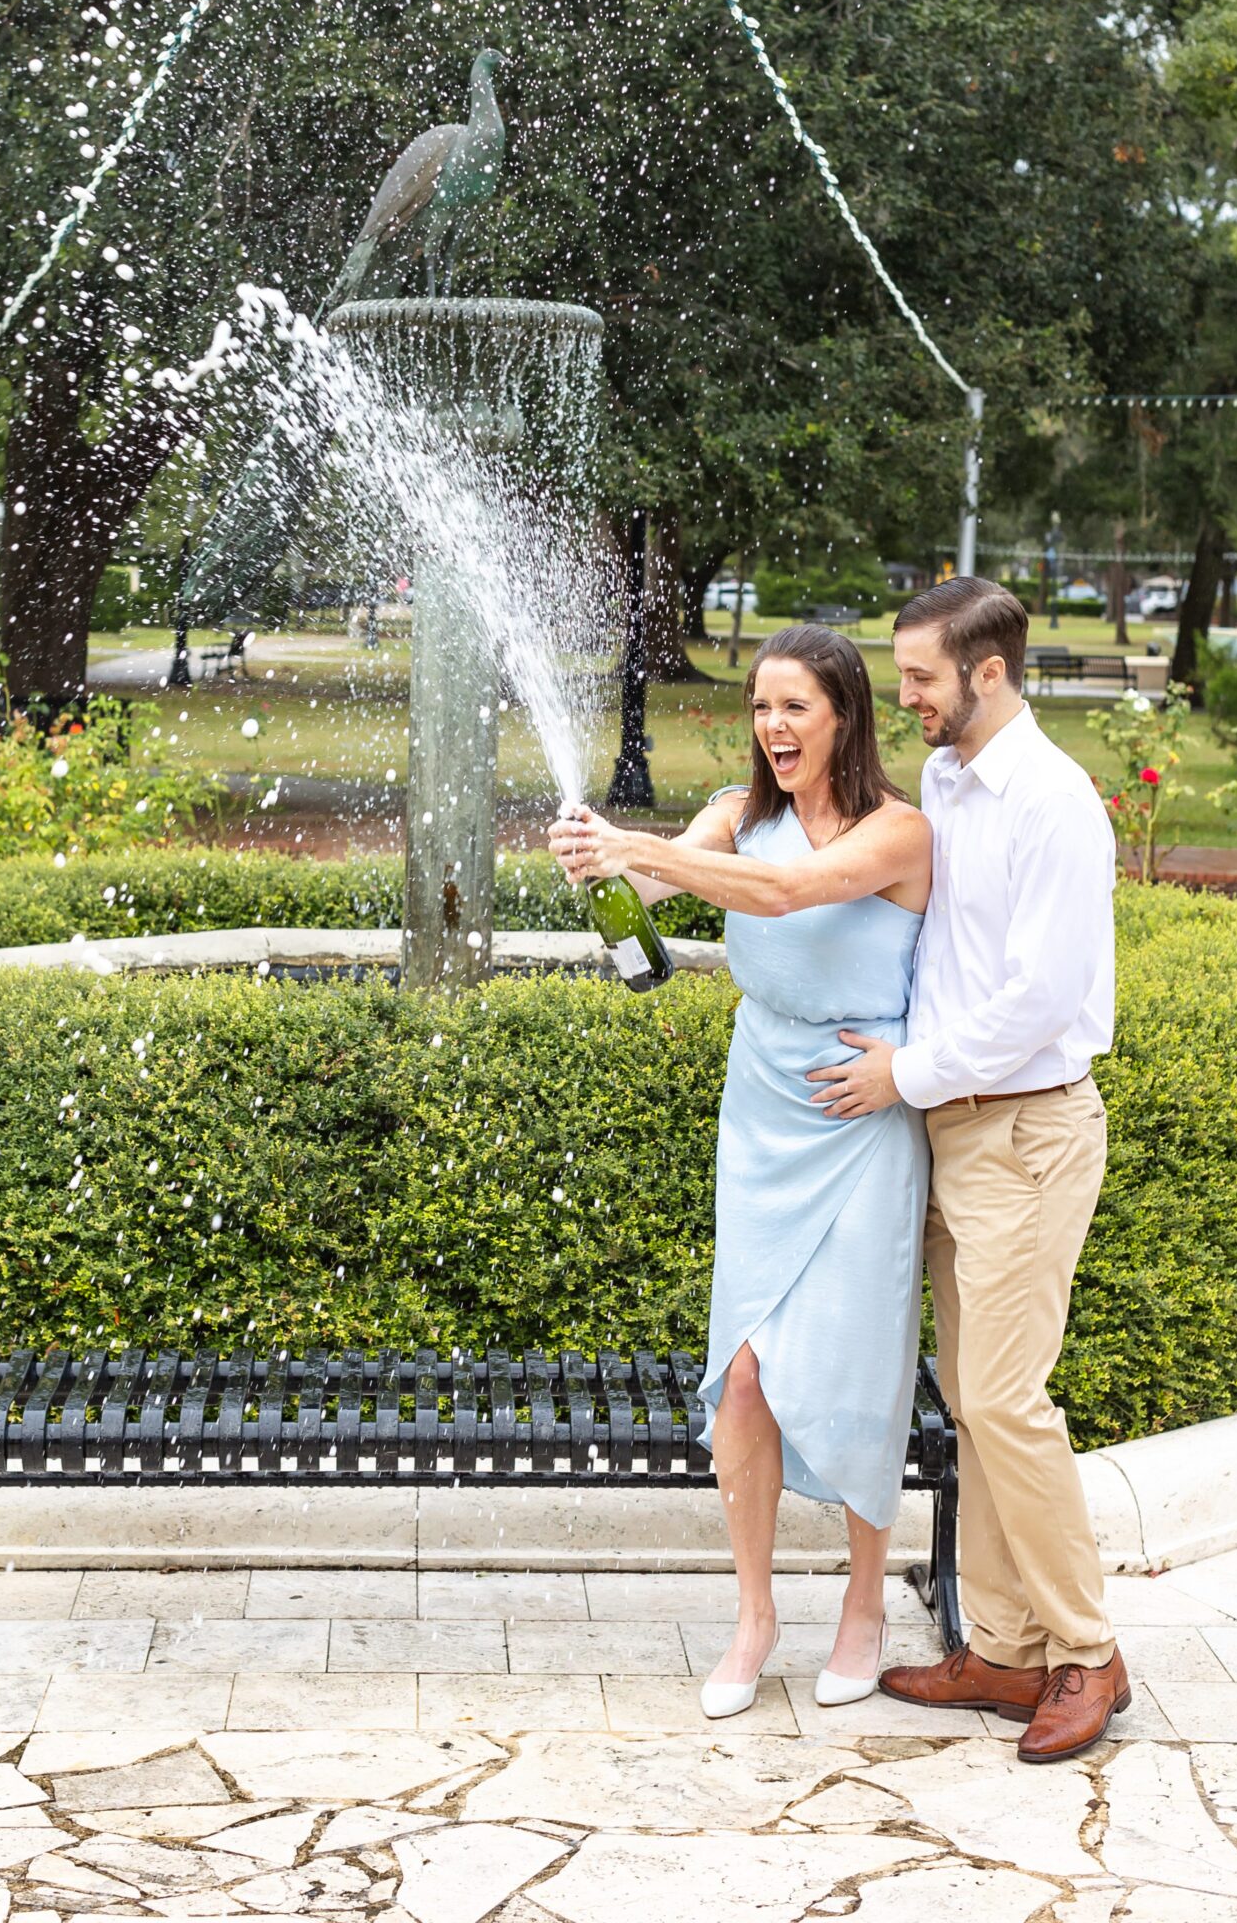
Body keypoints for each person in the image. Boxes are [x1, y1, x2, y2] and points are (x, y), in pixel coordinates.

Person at [550, 625, 931, 1719]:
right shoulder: (737, 811)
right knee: (749, 1373)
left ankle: (865, 1603)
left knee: (857, 1370)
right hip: (764, 1102)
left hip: (863, 1108)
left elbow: (783, 897)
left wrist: (640, 850)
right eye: (762, 706)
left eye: (796, 708)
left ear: (845, 717)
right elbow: (670, 886)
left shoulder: (899, 832)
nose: (773, 727)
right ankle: (756, 1615)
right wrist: (599, 860)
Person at [809, 574, 1127, 1764]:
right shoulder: (945, 778)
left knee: (1004, 1396)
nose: (909, 700)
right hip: (956, 1127)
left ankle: (1088, 1651)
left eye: (924, 680)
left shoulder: (1056, 802)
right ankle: (1002, 1646)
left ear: (988, 673)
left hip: (1026, 1125)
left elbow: (1035, 1001)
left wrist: (908, 1070)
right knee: (973, 1399)